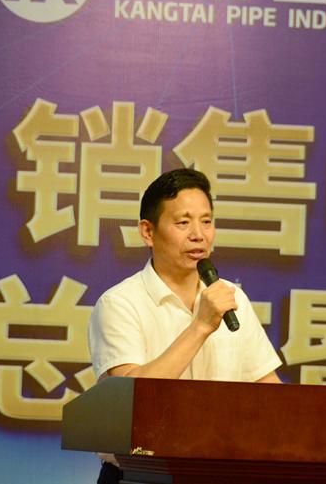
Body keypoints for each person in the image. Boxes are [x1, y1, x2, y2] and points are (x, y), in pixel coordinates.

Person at [88, 168, 282, 483]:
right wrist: (201, 325)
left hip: (220, 473)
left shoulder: (232, 298)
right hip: (139, 476)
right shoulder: (120, 303)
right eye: (183, 223)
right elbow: (130, 400)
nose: (198, 235)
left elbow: (268, 389)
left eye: (206, 221)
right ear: (147, 232)